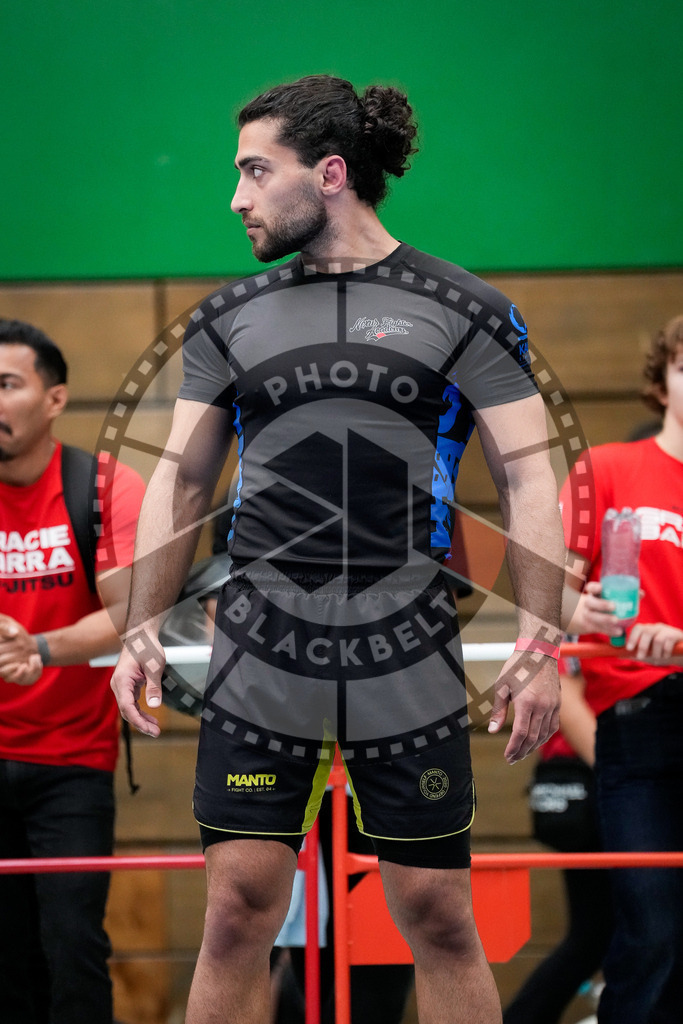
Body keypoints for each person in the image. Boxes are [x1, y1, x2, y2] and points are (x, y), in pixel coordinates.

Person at [111, 75, 564, 1024]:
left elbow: (529, 478)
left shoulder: (466, 306)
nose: (234, 198)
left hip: (407, 640)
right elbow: (182, 481)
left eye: (252, 171)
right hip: (261, 643)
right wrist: (141, 623)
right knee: (236, 911)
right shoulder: (228, 318)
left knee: (437, 913)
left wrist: (538, 641)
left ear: (327, 174)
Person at [0, 319, 145, 1024]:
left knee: (71, 947)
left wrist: (42, 649)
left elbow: (133, 611)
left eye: (6, 385)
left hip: (72, 761)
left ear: (54, 399)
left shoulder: (101, 486)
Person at [561, 313, 683, 1024]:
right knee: (652, 929)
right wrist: (578, 615)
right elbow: (552, 594)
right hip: (638, 721)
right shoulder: (607, 468)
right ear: (660, 380)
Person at [503, 656, 612, 1024]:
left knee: (596, 934)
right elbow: (567, 694)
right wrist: (625, 780)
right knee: (597, 933)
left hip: (594, 775)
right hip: (596, 776)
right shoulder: (596, 609)